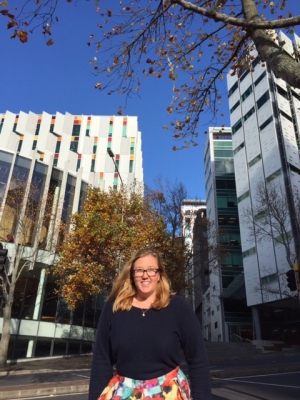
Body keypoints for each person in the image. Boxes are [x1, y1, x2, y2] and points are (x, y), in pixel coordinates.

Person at [88, 249, 212, 400]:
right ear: (132, 275)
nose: (145, 275)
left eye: (151, 270)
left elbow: (197, 358)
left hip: (169, 394)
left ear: (159, 275)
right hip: (124, 393)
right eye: (139, 270)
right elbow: (102, 360)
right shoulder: (113, 308)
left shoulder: (179, 308)